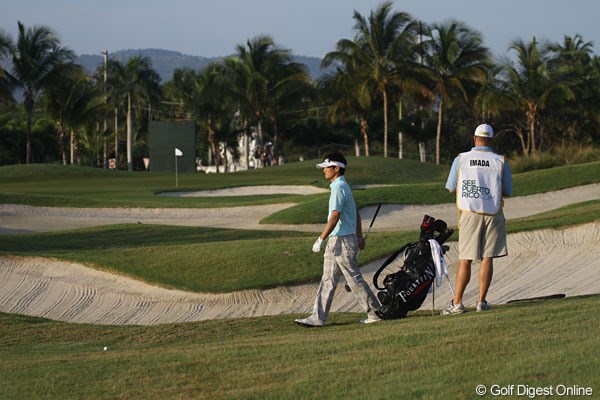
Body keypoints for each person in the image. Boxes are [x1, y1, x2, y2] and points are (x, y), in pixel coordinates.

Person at [295, 152, 382, 327]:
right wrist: (358, 236)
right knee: (328, 279)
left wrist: (320, 238)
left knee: (353, 279)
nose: (324, 171)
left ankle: (375, 312)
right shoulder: (342, 186)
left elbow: (335, 216)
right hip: (338, 240)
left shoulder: (339, 187)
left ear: (337, 168)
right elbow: (355, 213)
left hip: (341, 241)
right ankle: (318, 317)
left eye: (327, 167)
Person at [443, 123, 512, 314]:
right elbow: (507, 190)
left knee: (465, 258)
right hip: (493, 212)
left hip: (469, 211)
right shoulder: (500, 160)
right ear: (490, 140)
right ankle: (481, 301)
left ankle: (457, 303)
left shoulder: (462, 159)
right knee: (487, 257)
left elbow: (450, 187)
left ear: (474, 139)